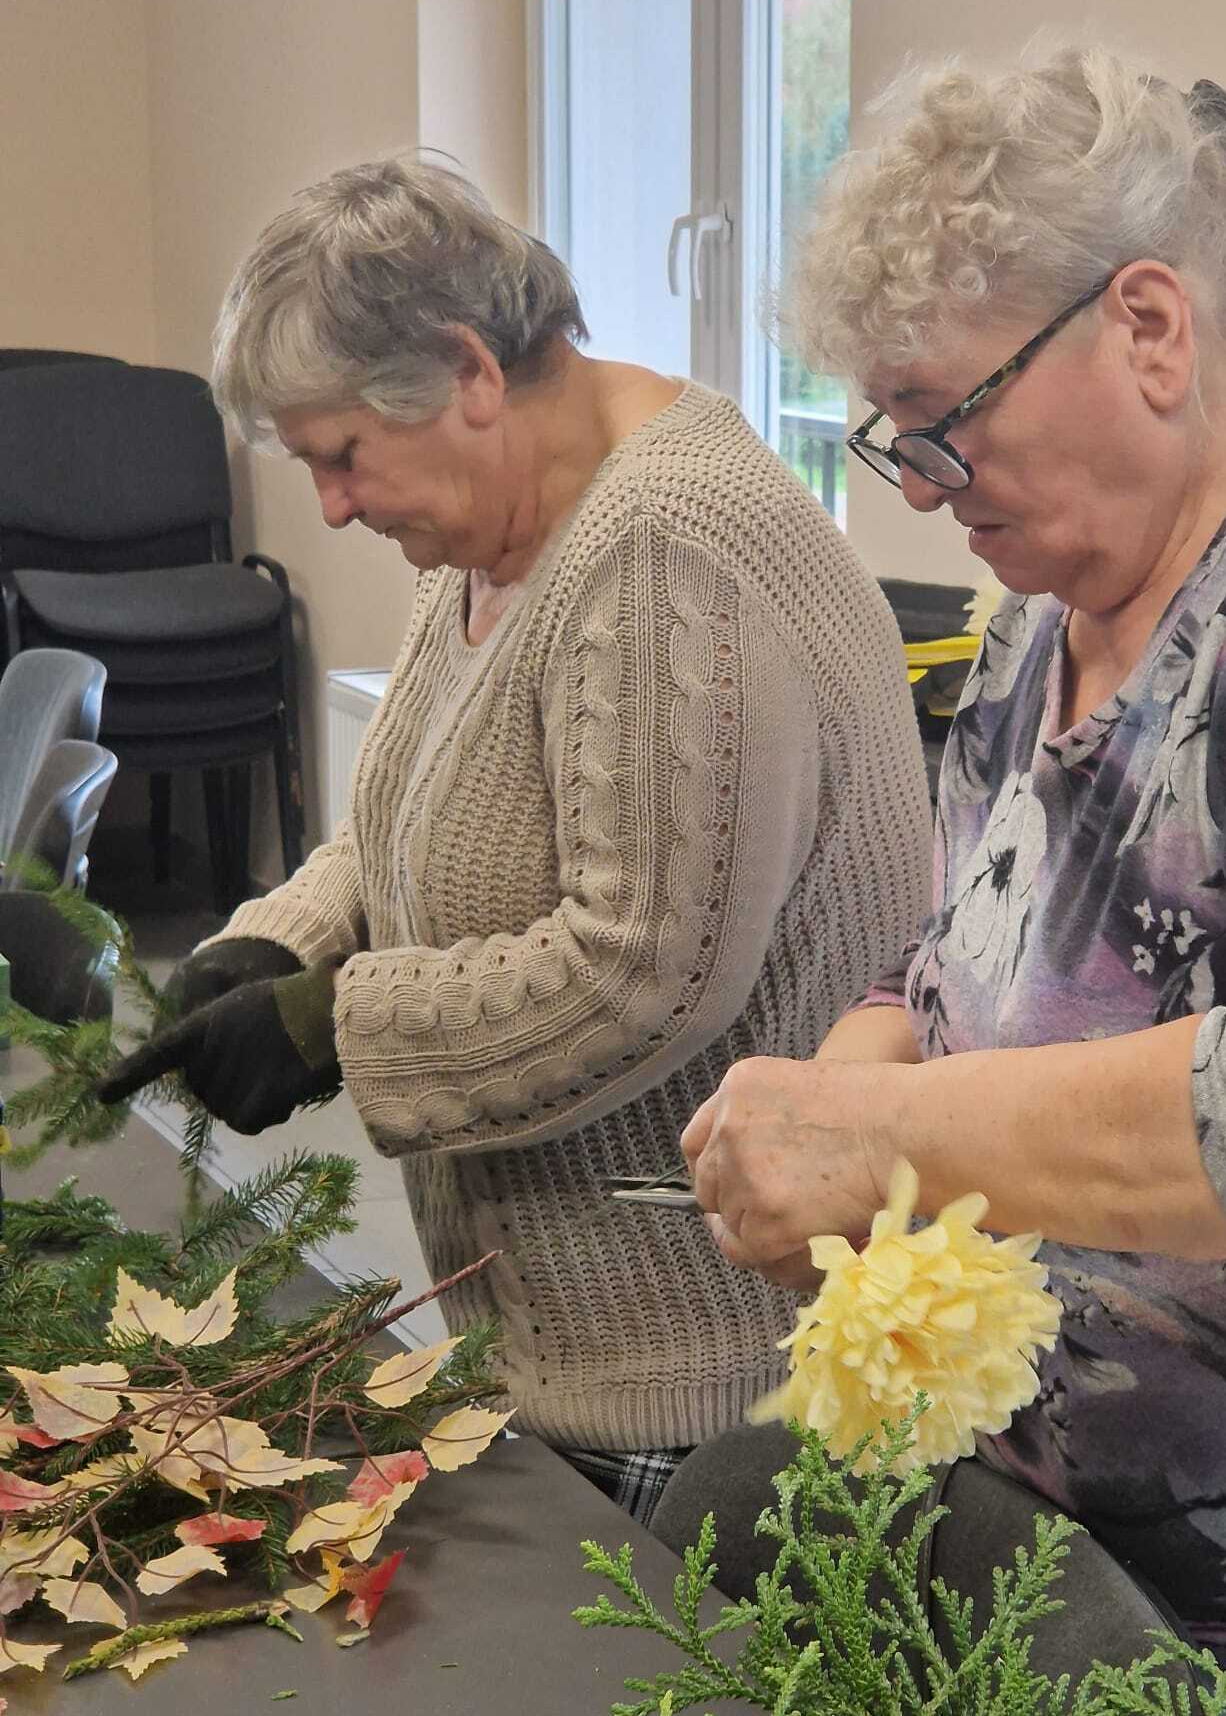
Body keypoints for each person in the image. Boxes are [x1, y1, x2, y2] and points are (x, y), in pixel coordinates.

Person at [670, 49, 1226, 1716]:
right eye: (889, 433)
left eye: (940, 419)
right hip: (1067, 1597)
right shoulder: (1054, 618)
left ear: (1146, 325)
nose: (919, 484)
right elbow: (953, 960)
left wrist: (896, 1146)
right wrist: (853, 1071)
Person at [99, 158, 932, 1526]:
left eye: (342, 455)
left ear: (468, 370)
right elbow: (406, 819)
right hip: (543, 1355)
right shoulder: (508, 532)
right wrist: (274, 939)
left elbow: (638, 974)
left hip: (704, 1392)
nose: (331, 509)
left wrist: (330, 1025)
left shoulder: (670, 550)